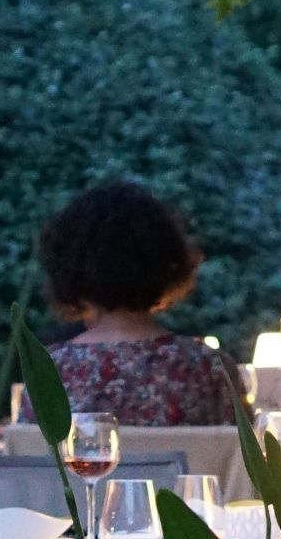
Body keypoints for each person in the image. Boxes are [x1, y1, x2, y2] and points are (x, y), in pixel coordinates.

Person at [38, 180, 244, 428]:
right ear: (168, 263)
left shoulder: (50, 371)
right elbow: (241, 459)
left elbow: (29, 460)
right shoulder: (209, 368)